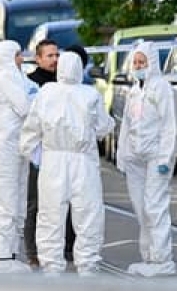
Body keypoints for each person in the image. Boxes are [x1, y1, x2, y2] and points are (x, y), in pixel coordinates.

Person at [20, 52, 114, 276]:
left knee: (50, 215)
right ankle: (88, 267)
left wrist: (34, 155)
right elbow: (103, 127)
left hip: (52, 161)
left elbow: (31, 129)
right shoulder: (90, 95)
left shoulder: (46, 93)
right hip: (83, 161)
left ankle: (51, 267)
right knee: (88, 214)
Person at [116, 42, 177, 277]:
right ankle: (149, 256)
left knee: (155, 206)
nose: (139, 66)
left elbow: (169, 124)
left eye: (143, 62)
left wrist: (165, 156)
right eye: (136, 62)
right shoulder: (135, 90)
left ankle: (162, 258)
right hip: (136, 157)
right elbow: (127, 125)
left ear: (152, 63)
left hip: (155, 157)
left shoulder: (160, 88)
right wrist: (123, 153)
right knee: (141, 207)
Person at [23, 39, 77, 267]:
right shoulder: (31, 83)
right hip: (42, 152)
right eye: (50, 56)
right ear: (38, 58)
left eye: (57, 55)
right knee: (37, 202)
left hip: (66, 153)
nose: (55, 60)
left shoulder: (66, 82)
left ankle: (68, 247)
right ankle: (33, 251)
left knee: (70, 201)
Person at [0, 40, 34, 273]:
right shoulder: (6, 79)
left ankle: (11, 254)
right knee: (8, 204)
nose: (21, 59)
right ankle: (2, 256)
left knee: (18, 204)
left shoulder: (17, 78)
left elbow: (34, 93)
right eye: (17, 55)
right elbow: (26, 106)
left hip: (18, 147)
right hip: (5, 148)